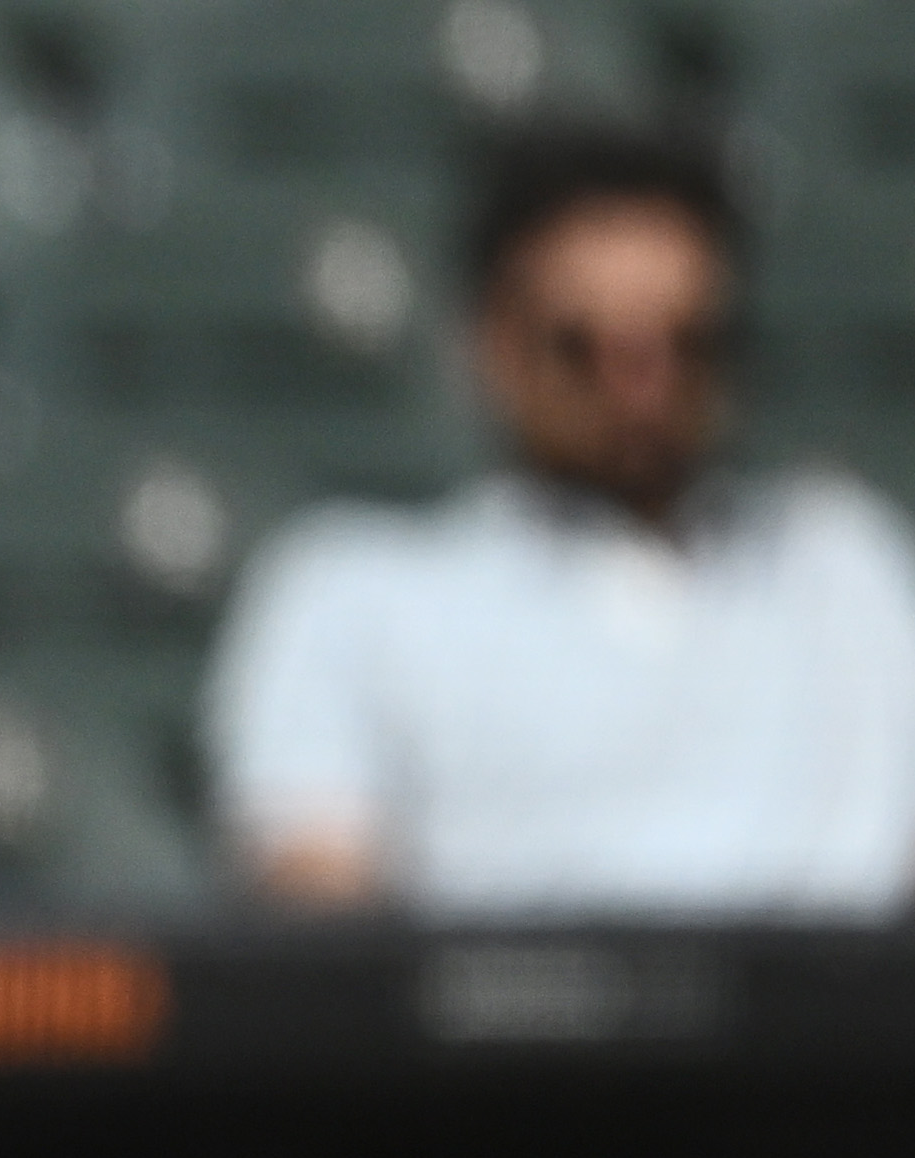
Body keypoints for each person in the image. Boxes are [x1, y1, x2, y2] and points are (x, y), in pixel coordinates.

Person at [207, 118, 915, 913]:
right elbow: (317, 904)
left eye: (685, 343)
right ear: (491, 345)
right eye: (583, 348)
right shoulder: (354, 593)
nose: (642, 388)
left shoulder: (847, 569)